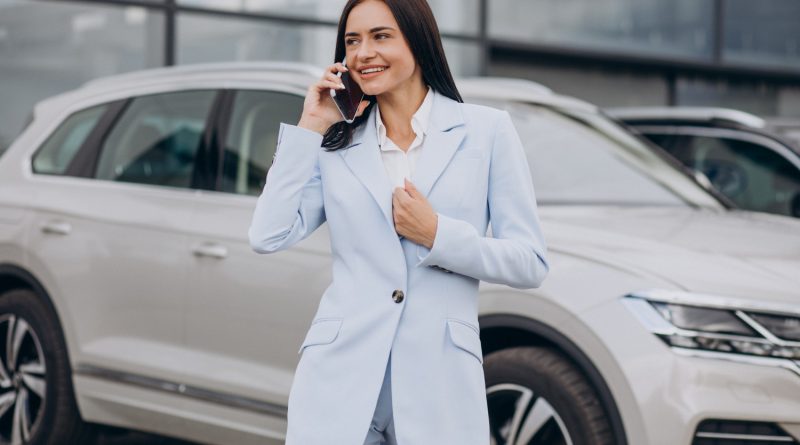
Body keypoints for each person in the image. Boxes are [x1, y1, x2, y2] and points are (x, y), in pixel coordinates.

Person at [248, 0, 549, 443]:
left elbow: (530, 262)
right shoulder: (336, 145)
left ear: (418, 38)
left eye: (380, 36)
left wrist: (438, 235)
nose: (363, 52)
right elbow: (266, 235)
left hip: (439, 388)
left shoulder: (487, 131)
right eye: (353, 41)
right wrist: (310, 126)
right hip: (339, 381)